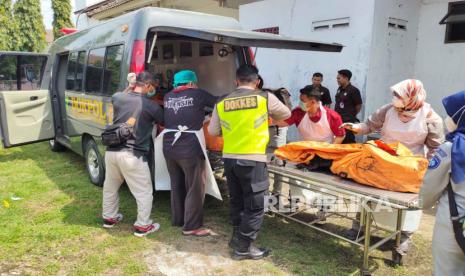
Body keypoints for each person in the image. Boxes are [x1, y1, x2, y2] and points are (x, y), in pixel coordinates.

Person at [341, 79, 444, 254]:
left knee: (406, 206)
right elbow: (370, 125)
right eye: (394, 94)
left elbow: (436, 147)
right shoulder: (388, 110)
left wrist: (430, 170)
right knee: (369, 196)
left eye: (399, 95)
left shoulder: (430, 118)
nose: (394, 97)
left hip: (409, 169)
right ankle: (358, 227)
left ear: (411, 96)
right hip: (383, 162)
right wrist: (356, 127)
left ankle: (403, 237)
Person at [208, 65, 291, 260]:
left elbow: (212, 131)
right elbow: (286, 114)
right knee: (255, 205)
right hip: (252, 159)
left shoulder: (222, 101)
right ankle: (244, 248)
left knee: (237, 201)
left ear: (236, 81)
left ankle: (236, 238)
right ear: (257, 82)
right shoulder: (264, 97)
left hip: (229, 159)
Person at [102, 71, 164, 237]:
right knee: (143, 192)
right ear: (149, 86)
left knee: (110, 187)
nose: (154, 90)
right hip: (133, 155)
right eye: (154, 87)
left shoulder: (118, 97)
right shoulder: (151, 106)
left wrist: (129, 87)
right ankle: (143, 226)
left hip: (112, 152)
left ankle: (109, 218)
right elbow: (164, 121)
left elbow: (120, 95)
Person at [158, 70, 218, 237]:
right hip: (189, 147)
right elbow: (219, 102)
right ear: (191, 83)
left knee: (176, 183)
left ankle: (178, 219)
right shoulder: (197, 94)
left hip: (169, 146)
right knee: (194, 186)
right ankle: (191, 226)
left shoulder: (168, 96)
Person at [420, 90, 465, 275]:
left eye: (450, 114)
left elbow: (429, 188)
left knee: (449, 269)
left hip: (455, 222)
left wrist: (422, 204)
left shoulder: (451, 148)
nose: (447, 118)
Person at [279, 86, 346, 144]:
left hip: (324, 153)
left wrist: (331, 149)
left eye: (303, 101)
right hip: (304, 153)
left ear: (313, 102)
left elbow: (340, 135)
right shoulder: (298, 112)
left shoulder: (332, 116)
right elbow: (282, 123)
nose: (300, 103)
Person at [335, 69, 363, 143]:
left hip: (348, 121)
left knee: (348, 140)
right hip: (338, 120)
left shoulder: (353, 90)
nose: (337, 80)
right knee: (339, 140)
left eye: (339, 78)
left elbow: (358, 105)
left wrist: (351, 115)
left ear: (346, 78)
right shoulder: (339, 89)